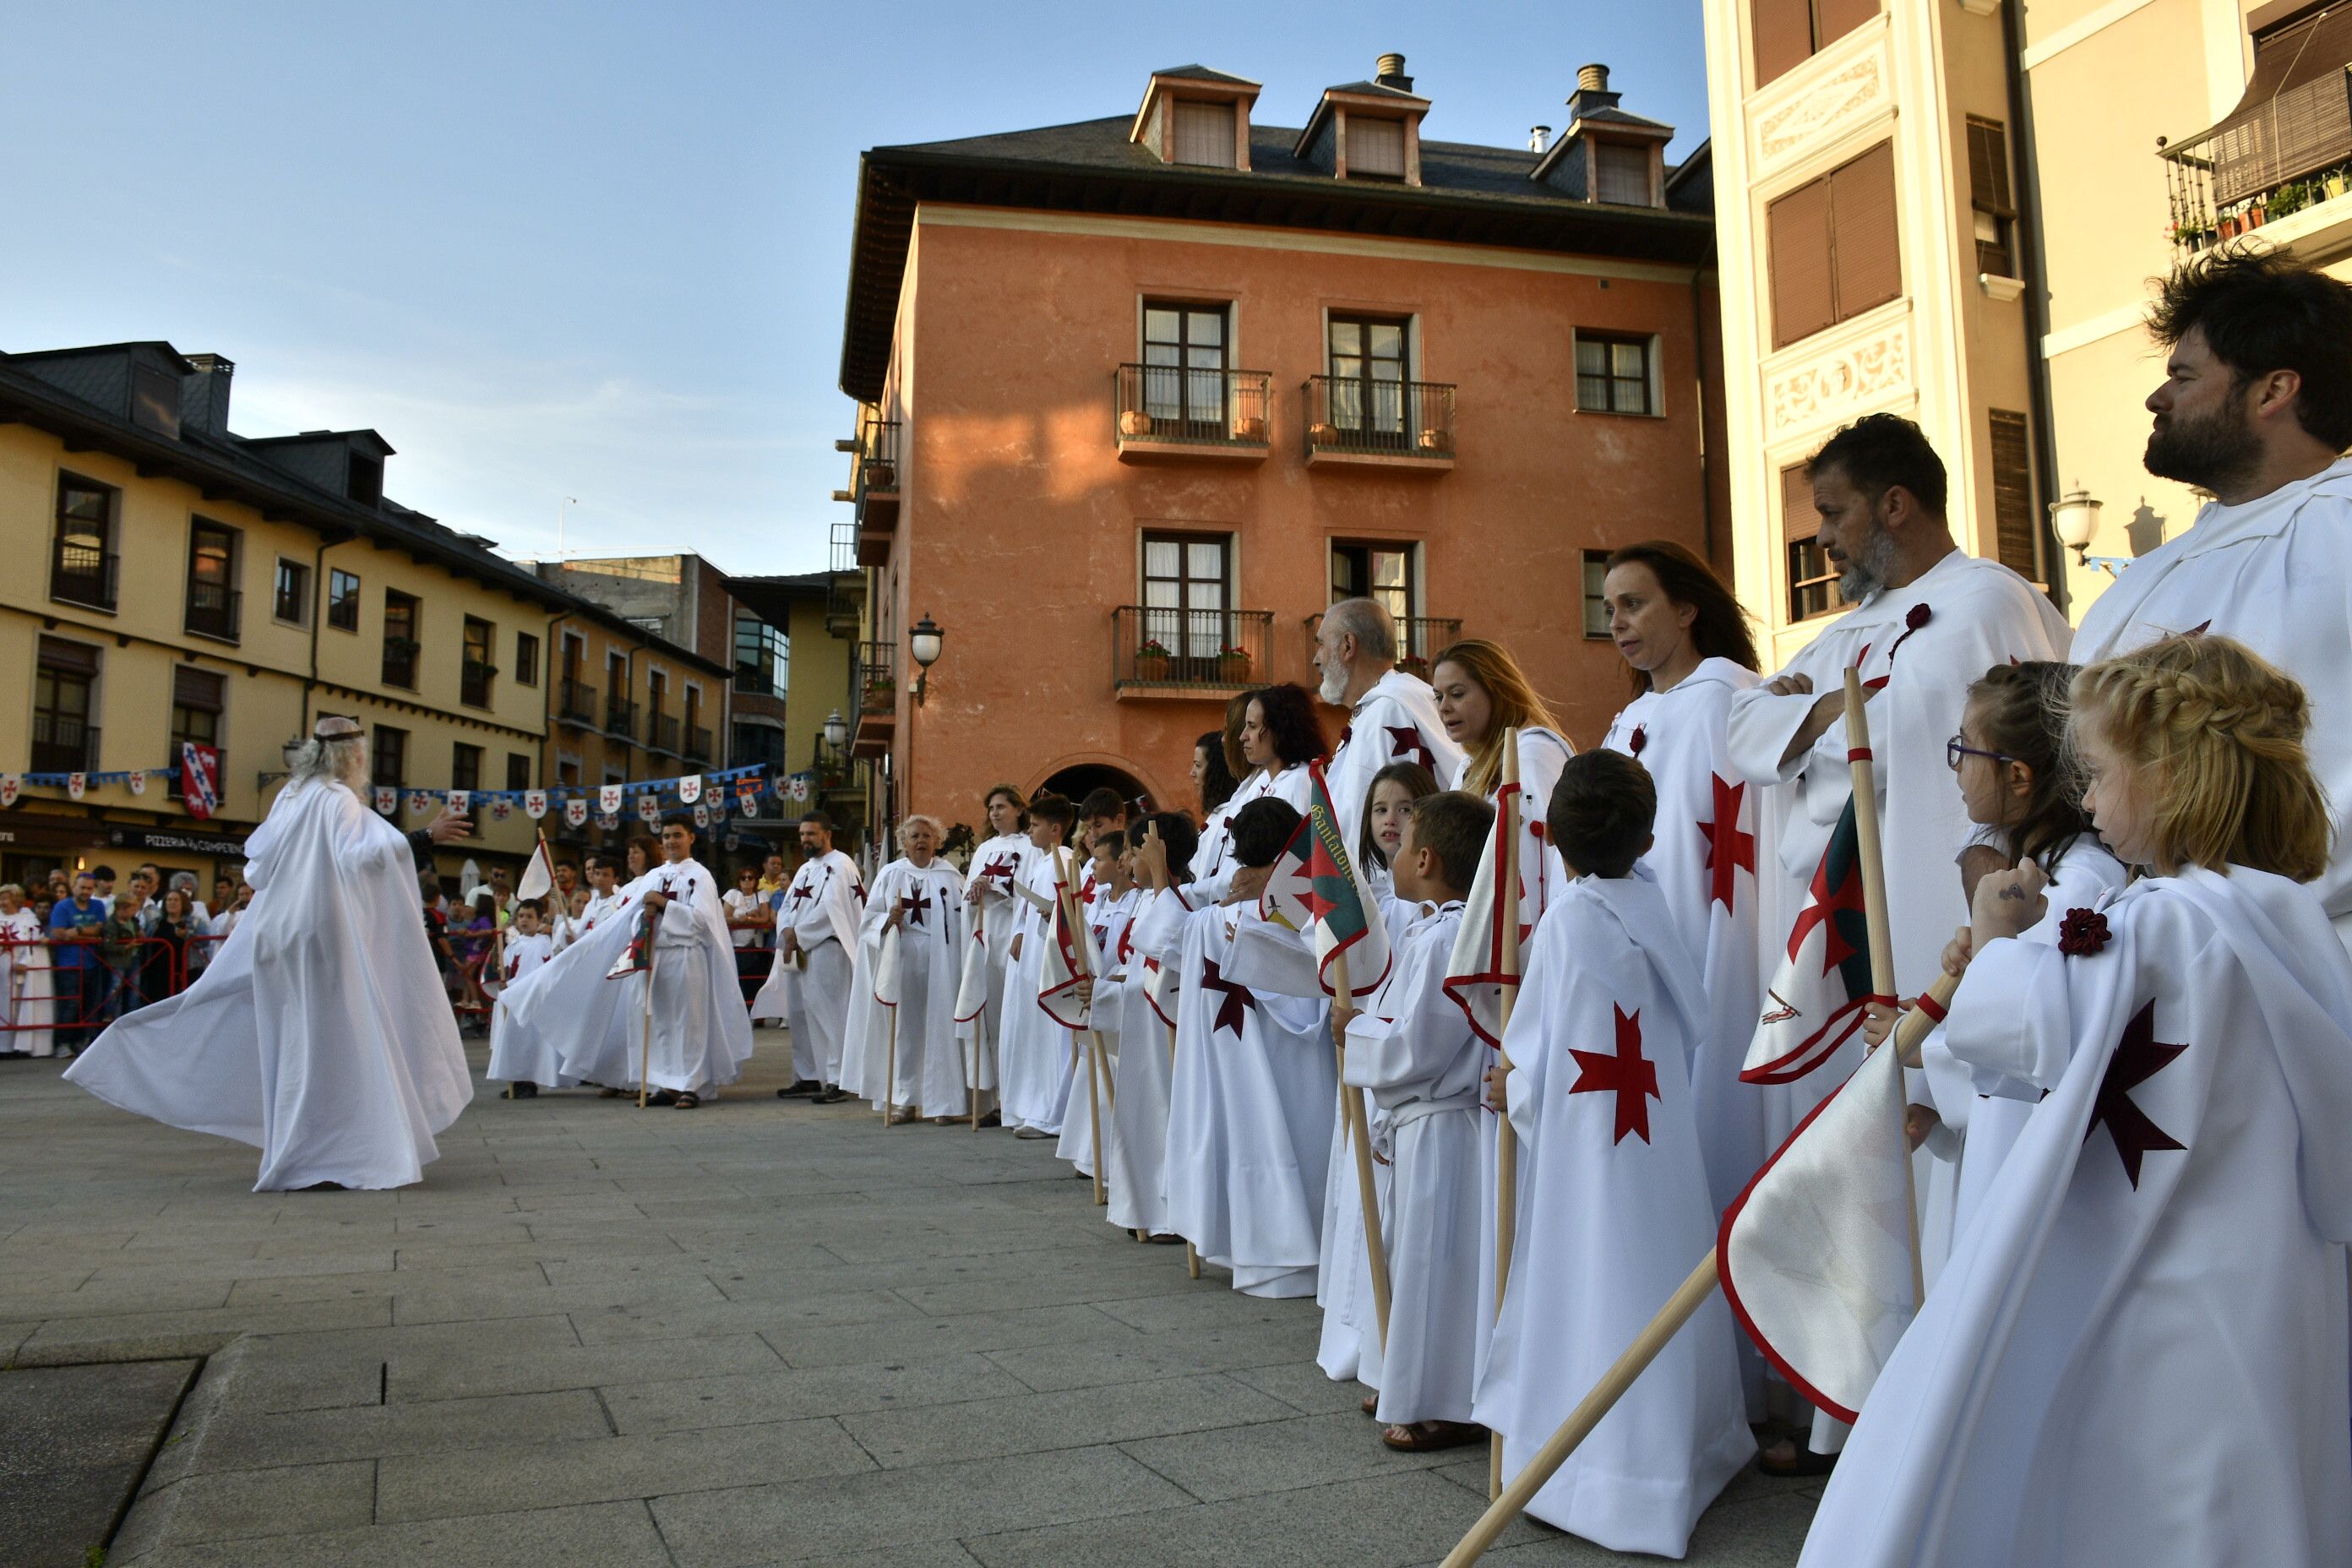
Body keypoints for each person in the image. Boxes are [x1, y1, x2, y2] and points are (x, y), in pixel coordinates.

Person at [1802, 633, 2352, 1567]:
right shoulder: (2294, 924)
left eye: (2099, 774)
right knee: (2236, 1491)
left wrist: (1993, 931)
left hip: (2147, 1281)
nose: (2087, 798)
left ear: (2171, 775)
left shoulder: (2160, 924)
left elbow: (2005, 1028)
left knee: (2133, 1486)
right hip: (2259, 1278)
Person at [1723, 415, 2070, 1466]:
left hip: (1948, 926)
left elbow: (2034, 752)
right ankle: (1861, 1408)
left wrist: (1992, 889)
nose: (1819, 537)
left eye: (1831, 511)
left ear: (1894, 504)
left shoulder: (1994, 601)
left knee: (1938, 1152)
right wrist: (1814, 710)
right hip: (1844, 943)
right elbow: (1751, 738)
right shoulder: (1841, 633)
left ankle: (1942, 1420)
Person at [1474, 749, 1755, 1555]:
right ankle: (1684, 1457)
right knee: (1660, 1276)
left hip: (1590, 1157)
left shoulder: (1569, 921)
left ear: (1554, 839)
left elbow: (1547, 1061)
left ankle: (1596, 1480)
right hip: (1657, 1144)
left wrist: (1510, 1086)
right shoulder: (1653, 905)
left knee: (1591, 1282)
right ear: (1646, 835)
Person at [2068, 249, 2352, 949]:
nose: (2156, 399)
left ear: (2272, 391)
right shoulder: (2139, 584)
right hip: (2147, 958)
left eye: (2183, 376)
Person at [64, 715, 473, 1190]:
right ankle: (330, 1153)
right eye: (362, 753)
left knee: (296, 1044)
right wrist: (425, 837)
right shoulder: (337, 800)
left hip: (277, 936)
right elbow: (358, 859)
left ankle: (302, 1151)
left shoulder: (291, 797)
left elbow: (259, 868)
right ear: (350, 757)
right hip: (320, 938)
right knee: (334, 1044)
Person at [1893, 661, 2127, 1253]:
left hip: (2037, 1163)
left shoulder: (2074, 888)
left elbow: (2039, 1036)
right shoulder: (2037, 874)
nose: (1957, 771)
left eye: (1965, 750)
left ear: (2018, 775)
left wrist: (1925, 1050)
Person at [1596, 541, 1768, 1224]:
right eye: (1609, 609)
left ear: (1689, 609)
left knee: (1713, 1090)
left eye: (1634, 605)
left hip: (1717, 928)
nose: (1617, 623)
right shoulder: (1629, 718)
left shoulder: (1731, 697)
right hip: (1637, 938)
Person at [1332, 791, 1493, 1452]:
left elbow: (1417, 1043)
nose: (1389, 849)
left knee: (1439, 1265)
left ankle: (1442, 1400)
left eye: (1401, 844)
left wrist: (1357, 1028)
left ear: (1425, 858)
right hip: (1417, 1122)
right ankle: (1405, 1376)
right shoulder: (1432, 929)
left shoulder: (1452, 936)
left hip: (1442, 1124)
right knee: (1407, 1255)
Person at [1136, 797, 1334, 1298]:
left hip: (1229, 1056)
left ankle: (1246, 1253)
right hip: (1292, 1060)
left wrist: (1163, 876)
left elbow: (1159, 935)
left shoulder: (1206, 923)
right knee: (1301, 1140)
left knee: (1239, 1140)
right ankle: (1306, 1255)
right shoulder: (1306, 919)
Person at [1430, 640, 1573, 928]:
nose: (1444, 708)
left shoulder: (1532, 754)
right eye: (1438, 697)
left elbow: (1537, 865)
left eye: (1456, 694)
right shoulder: (1468, 766)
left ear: (1496, 691)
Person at [1102, 812, 1199, 1243]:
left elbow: (1172, 958)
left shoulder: (1188, 898)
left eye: (1134, 850)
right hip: (1142, 1021)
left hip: (1168, 1024)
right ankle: (1141, 1206)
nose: (1127, 859)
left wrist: (1161, 874)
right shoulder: (1147, 899)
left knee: (1165, 1111)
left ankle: (1168, 1212)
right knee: (1142, 1112)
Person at [841, 815, 970, 1124]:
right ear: (904, 842)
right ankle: (904, 1100)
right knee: (905, 1031)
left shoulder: (951, 877)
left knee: (942, 1029)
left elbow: (964, 920)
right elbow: (867, 920)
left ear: (937, 841)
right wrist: (888, 919)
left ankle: (945, 1103)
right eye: (914, 836)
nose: (921, 841)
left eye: (927, 835)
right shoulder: (890, 874)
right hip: (903, 960)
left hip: (943, 962)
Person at [1315, 597, 1466, 852]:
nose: (1316, 659)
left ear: (1348, 646)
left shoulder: (1387, 711)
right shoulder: (1384, 706)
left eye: (1321, 645)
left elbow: (1394, 828)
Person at [752, 814, 863, 1101]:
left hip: (827, 947)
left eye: (811, 834)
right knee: (801, 1015)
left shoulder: (842, 865)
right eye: (802, 834)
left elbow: (832, 909)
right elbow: (788, 903)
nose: (805, 839)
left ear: (827, 834)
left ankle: (838, 1080)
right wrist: (788, 929)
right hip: (798, 948)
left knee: (830, 1015)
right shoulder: (804, 870)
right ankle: (808, 1075)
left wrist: (797, 933)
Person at [1054, 827, 1136, 1175]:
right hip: (1096, 994)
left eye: (1099, 859)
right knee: (1091, 1074)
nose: (1093, 865)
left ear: (1121, 863)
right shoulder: (1099, 900)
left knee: (1114, 1075)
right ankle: (1090, 1154)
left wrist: (1110, 981)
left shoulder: (1135, 902)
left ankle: (1108, 1157)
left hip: (1118, 994)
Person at [997, 794, 1080, 1138]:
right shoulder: (1043, 861)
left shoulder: (1067, 860)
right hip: (1030, 956)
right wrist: (1019, 931)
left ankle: (1052, 1113)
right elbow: (1025, 908)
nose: (1029, 832)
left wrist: (1048, 919)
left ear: (1055, 829)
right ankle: (1032, 1106)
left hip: (1050, 960)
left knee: (1050, 1039)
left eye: (1035, 825)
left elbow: (1069, 912)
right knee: (1031, 1036)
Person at [954, 784, 1034, 1121]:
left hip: (1014, 932)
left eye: (1002, 806)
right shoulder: (985, 849)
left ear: (1018, 809)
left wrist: (998, 888)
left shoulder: (1033, 847)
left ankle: (1023, 1097)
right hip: (987, 932)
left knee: (1016, 1014)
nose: (995, 813)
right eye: (991, 809)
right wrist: (974, 894)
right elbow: (969, 898)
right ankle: (1000, 1099)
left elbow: (1033, 891)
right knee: (992, 1017)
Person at [487, 901, 558, 1097]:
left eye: (529, 916)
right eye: (521, 916)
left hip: (527, 1000)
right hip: (512, 1000)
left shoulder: (542, 944)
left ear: (539, 919)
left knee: (528, 1042)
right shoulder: (513, 944)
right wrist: (502, 977)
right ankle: (515, 1080)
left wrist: (513, 986)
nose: (524, 920)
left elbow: (537, 973)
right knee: (512, 1041)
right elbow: (507, 969)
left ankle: (528, 1081)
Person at [47, 872, 104, 1053]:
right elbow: (59, 933)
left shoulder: (98, 905)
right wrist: (87, 931)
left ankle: (80, 1041)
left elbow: (100, 930)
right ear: (74, 887)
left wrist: (77, 930)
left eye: (89, 888)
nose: (86, 891)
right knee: (70, 1004)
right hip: (68, 964)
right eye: (82, 887)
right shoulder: (62, 906)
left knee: (89, 1004)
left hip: (92, 963)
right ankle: (62, 1042)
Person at [0, 883, 55, 1059]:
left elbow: (34, 942)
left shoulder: (27, 918)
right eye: (1, 898)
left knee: (16, 1007)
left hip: (18, 970)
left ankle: (15, 1046)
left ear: (16, 899)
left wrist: (24, 962)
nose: (2, 901)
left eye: (5, 897)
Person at [722, 863, 772, 1005]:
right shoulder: (732, 895)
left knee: (756, 980)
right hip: (736, 944)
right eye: (743, 878)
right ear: (738, 881)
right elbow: (725, 918)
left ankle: (755, 1011)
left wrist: (748, 919)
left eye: (750, 878)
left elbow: (764, 918)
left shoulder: (761, 895)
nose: (747, 881)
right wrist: (744, 917)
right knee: (739, 979)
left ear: (756, 881)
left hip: (756, 944)